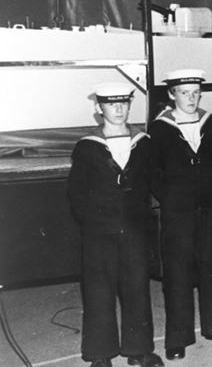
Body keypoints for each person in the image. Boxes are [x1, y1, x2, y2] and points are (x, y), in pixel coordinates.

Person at [68, 83, 163, 367]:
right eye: (111, 104)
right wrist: (94, 222)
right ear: (99, 108)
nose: (119, 109)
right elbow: (76, 192)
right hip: (99, 231)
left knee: (137, 288)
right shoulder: (87, 147)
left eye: (124, 103)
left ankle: (139, 350)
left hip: (134, 228)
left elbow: (150, 182)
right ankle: (100, 354)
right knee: (99, 292)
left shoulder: (143, 142)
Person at [150, 70, 212, 361]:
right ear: (172, 95)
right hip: (177, 210)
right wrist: (171, 198)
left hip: (207, 205)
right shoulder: (160, 128)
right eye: (184, 92)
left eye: (195, 92)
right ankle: (178, 338)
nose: (191, 98)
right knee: (177, 272)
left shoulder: (209, 122)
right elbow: (152, 172)